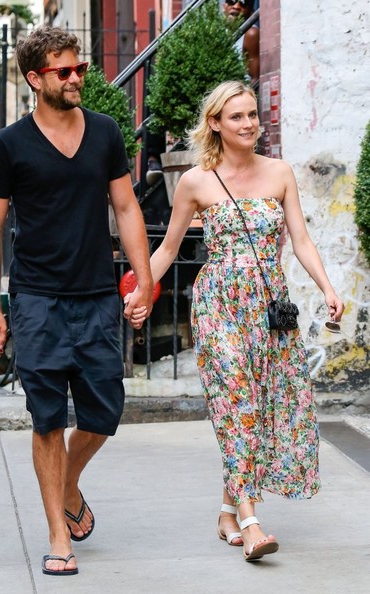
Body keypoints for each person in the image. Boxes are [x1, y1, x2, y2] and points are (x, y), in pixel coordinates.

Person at [126, 81, 344, 561]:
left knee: (259, 406)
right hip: (218, 305)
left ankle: (227, 512)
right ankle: (249, 521)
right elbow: (168, 248)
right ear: (215, 124)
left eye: (252, 115)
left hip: (269, 309)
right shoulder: (195, 181)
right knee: (237, 403)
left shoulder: (279, 173)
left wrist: (328, 288)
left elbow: (301, 241)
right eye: (237, 117)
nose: (249, 124)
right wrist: (141, 290)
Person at [0, 26, 153, 576]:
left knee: (104, 413)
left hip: (97, 294)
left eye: (80, 68)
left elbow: (126, 208)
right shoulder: (9, 145)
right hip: (37, 299)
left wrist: (145, 280)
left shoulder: (105, 133)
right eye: (65, 71)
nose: (77, 77)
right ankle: (59, 533)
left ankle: (68, 482)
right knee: (48, 418)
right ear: (36, 79)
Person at [223, 0, 260, 84]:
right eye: (231, 1)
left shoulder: (251, 33)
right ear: (224, 7)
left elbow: (255, 80)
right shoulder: (220, 32)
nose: (236, 6)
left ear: (251, 12)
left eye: (243, 4)